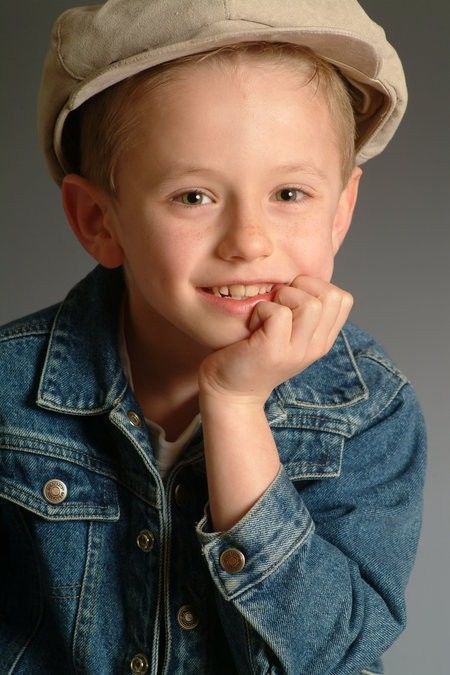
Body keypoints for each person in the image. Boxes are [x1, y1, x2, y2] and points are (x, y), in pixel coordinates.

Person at [0, 1, 427, 673]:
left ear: (341, 211)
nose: (249, 242)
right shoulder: (9, 392)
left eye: (289, 194)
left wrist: (235, 404)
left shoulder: (369, 410)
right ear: (99, 221)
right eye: (193, 197)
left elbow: (329, 656)